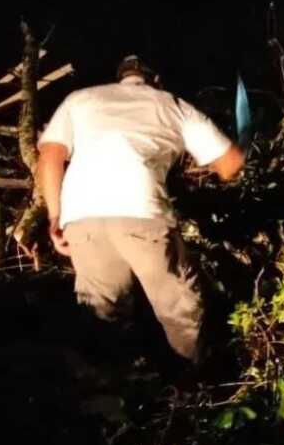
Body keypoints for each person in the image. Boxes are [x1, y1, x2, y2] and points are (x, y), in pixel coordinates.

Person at [37, 55, 245, 362]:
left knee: (103, 316)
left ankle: (117, 396)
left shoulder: (80, 99)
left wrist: (55, 217)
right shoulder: (170, 103)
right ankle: (197, 389)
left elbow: (50, 156)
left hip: (82, 217)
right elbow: (230, 165)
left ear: (120, 77)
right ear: (155, 79)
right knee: (179, 309)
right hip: (142, 211)